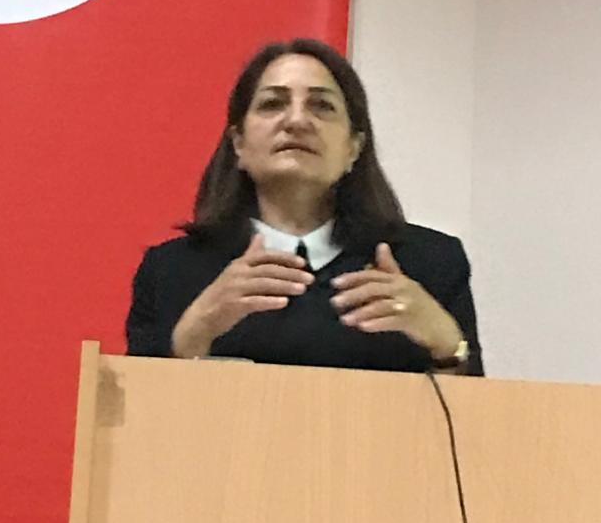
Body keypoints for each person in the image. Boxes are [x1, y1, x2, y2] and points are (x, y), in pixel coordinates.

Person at [126, 38, 483, 375]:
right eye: (272, 104)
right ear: (238, 144)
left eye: (321, 106)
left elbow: (472, 414)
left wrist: (447, 345)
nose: (296, 121)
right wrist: (196, 330)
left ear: (353, 148)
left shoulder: (429, 264)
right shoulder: (171, 271)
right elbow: (134, 410)